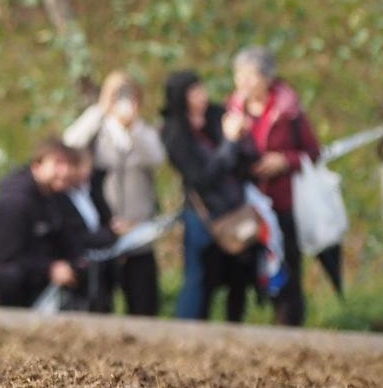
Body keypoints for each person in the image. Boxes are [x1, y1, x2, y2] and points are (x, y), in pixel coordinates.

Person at [159, 68, 260, 322]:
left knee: (238, 275)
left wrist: (243, 135)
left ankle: (234, 330)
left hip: (234, 209)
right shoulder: (174, 133)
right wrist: (228, 141)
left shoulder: (217, 116)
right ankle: (189, 331)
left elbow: (245, 162)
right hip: (203, 215)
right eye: (195, 91)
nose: (202, 95)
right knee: (199, 278)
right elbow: (202, 178)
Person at [229, 45, 319, 326]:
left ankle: (288, 328)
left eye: (250, 76)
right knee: (239, 269)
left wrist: (284, 160)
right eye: (239, 76)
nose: (244, 83)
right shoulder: (232, 110)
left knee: (287, 266)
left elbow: (313, 151)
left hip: (280, 201)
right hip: (244, 205)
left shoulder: (288, 110)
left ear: (267, 78)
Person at [64, 71, 165, 315]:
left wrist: (134, 125)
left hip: (139, 231)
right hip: (105, 230)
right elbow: (68, 145)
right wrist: (100, 109)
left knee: (144, 304)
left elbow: (158, 157)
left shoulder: (143, 132)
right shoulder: (97, 129)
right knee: (101, 303)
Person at [0, 140, 82, 307]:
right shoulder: (15, 203)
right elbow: (8, 258)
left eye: (69, 165)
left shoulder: (53, 197)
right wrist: (49, 268)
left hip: (29, 292)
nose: (65, 171)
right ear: (37, 166)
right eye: (57, 164)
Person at [54, 147, 118, 310]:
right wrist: (111, 234)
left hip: (99, 268)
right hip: (77, 271)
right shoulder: (60, 198)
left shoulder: (90, 192)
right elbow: (76, 235)